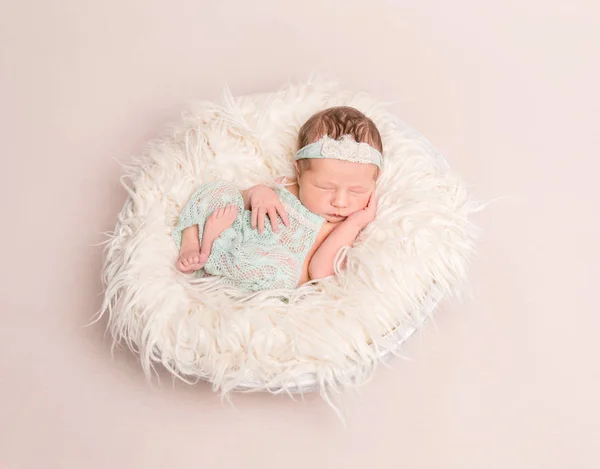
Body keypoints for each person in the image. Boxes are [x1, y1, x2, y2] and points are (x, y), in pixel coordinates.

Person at [173, 106, 383, 291]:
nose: (340, 201)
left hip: (262, 265)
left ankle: (209, 251)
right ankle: (192, 244)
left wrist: (355, 223)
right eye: (324, 187)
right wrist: (257, 192)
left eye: (356, 191)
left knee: (286, 272)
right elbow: (241, 199)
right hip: (235, 230)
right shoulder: (287, 184)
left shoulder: (341, 227)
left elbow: (319, 272)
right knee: (219, 190)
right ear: (299, 173)